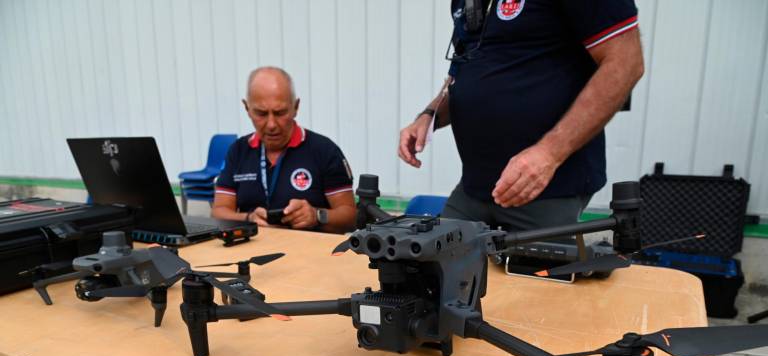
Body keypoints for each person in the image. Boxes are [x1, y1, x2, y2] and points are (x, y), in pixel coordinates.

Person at [398, 0, 644, 231]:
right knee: (438, 268)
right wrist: (430, 115)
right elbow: (467, 69)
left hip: (546, 189)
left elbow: (626, 63)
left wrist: (549, 153)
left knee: (534, 275)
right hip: (474, 187)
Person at [212, 67, 356, 233]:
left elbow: (351, 218)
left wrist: (316, 215)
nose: (272, 124)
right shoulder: (238, 151)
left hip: (311, 254)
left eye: (280, 113)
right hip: (253, 253)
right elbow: (218, 212)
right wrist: (248, 219)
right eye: (261, 113)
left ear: (296, 107)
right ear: (247, 109)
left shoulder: (324, 150)